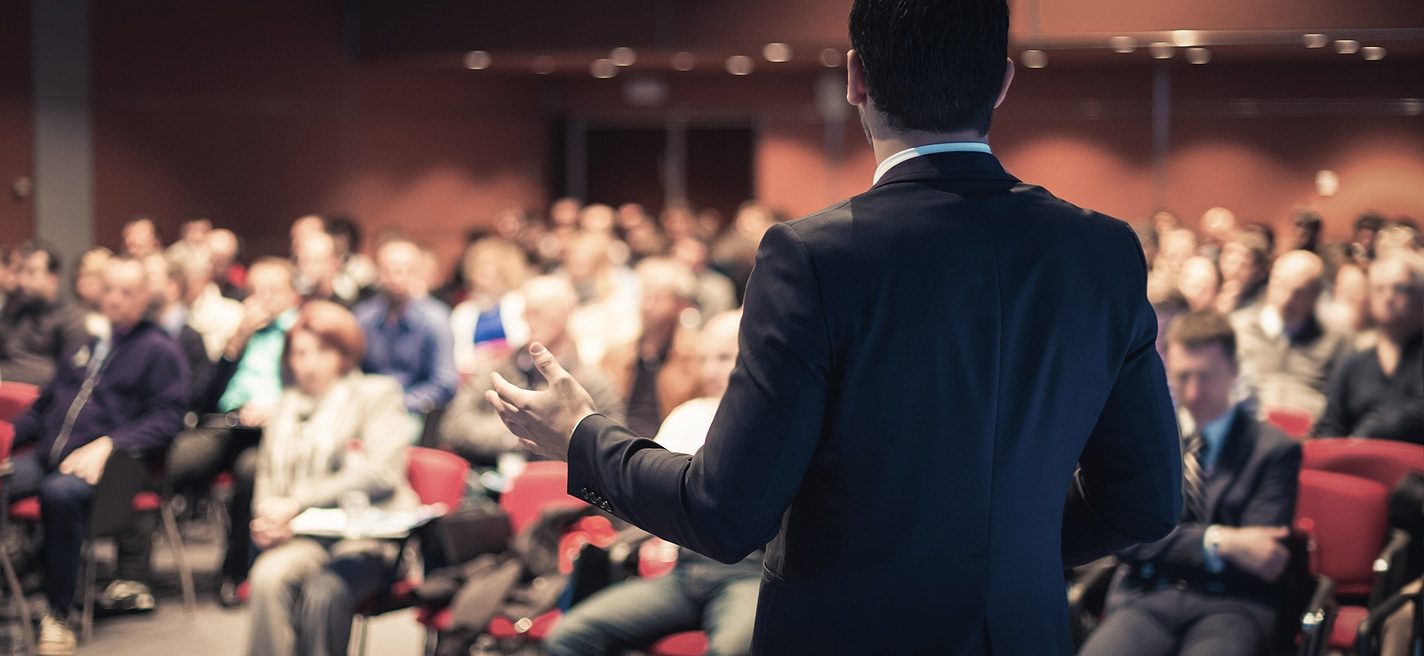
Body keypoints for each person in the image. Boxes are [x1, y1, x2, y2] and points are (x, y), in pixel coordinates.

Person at [483, 0, 1183, 651]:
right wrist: (1002, 546)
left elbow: (726, 513)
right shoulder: (1101, 251)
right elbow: (1147, 504)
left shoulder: (815, 258)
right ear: (1001, 83)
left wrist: (583, 438)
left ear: (855, 78)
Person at [1079, 310, 1301, 656]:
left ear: (1233, 370)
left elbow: (1264, 557)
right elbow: (1126, 541)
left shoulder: (1275, 450)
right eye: (1183, 377)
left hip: (1231, 604)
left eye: (1206, 377)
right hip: (1148, 594)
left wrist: (1170, 542)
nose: (1194, 392)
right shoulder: (1149, 441)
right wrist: (1220, 541)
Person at [546, 311, 759, 656]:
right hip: (686, 570)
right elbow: (646, 489)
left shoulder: (769, 425)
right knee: (568, 636)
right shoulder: (689, 414)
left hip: (746, 573)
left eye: (723, 357)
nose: (709, 371)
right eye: (703, 359)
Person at [8, 256, 190, 655]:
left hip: (116, 469)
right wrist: (5, 438)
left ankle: (60, 613)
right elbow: (44, 407)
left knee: (59, 495)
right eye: (108, 290)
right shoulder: (85, 344)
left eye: (126, 292)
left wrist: (111, 443)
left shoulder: (160, 350)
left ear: (145, 297)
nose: (115, 300)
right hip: (47, 455)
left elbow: (168, 418)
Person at [244, 301, 419, 656]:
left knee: (325, 590)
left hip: (366, 537)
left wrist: (297, 502)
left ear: (344, 353)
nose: (309, 364)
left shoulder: (376, 394)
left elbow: (380, 473)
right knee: (267, 575)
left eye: (322, 351)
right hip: (304, 536)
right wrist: (265, 518)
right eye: (300, 353)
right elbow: (266, 477)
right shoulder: (285, 406)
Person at [170, 257, 303, 604]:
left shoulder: (301, 332)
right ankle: (127, 572)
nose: (263, 299)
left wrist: (276, 409)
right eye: (255, 291)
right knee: (173, 461)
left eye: (273, 291)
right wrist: (236, 341)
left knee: (250, 473)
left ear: (292, 295)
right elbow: (204, 396)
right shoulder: (241, 331)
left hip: (274, 432)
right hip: (226, 424)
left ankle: (235, 573)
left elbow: (311, 392)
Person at [439, 276, 622, 471]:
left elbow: (608, 448)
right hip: (490, 479)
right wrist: (518, 433)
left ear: (566, 313)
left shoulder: (592, 381)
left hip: (559, 488)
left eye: (538, 311)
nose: (527, 319)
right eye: (525, 312)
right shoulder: (499, 369)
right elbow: (453, 426)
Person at [1314, 252, 1424, 442]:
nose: (1388, 297)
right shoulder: (1353, 364)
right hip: (1356, 465)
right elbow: (1330, 427)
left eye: (1400, 288)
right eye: (1379, 289)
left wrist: (1366, 435)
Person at [1232, 250, 1350, 418]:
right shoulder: (1240, 328)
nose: (1286, 299)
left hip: (1310, 433)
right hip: (1253, 432)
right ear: (1272, 280)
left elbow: (1342, 401)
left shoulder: (1336, 338)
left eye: (1298, 292)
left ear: (1316, 294)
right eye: (1282, 286)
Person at [353, 238, 458, 415]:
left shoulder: (436, 319)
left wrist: (401, 404)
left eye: (403, 270)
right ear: (378, 273)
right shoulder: (363, 316)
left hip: (412, 409)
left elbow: (444, 383)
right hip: (367, 405)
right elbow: (350, 371)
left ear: (417, 273)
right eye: (387, 270)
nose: (395, 278)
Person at [598, 258, 701, 438]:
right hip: (619, 445)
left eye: (656, 298)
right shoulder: (615, 355)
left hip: (670, 449)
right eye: (644, 296)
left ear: (680, 306)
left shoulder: (696, 356)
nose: (646, 306)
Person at [0, 241, 90, 387]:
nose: (22, 281)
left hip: (43, 402)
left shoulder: (72, 318)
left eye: (31, 272)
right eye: (20, 271)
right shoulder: (15, 311)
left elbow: (70, 377)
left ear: (52, 277)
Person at [448, 237, 530, 377]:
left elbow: (525, 343)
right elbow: (459, 358)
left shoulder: (520, 303)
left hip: (517, 375)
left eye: (491, 265)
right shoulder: (463, 312)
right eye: (479, 265)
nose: (484, 270)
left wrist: (494, 353)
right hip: (476, 378)